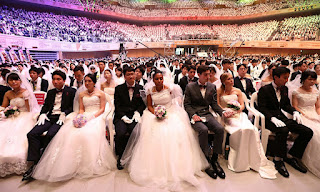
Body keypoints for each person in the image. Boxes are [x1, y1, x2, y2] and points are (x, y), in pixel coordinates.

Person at [121, 70, 208, 190]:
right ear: (153, 80)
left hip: (170, 112)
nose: (159, 81)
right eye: (157, 79)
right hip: (154, 113)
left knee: (175, 131)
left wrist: (166, 113)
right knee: (155, 132)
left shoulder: (170, 89)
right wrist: (156, 113)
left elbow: (174, 102)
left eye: (161, 78)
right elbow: (150, 106)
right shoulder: (150, 91)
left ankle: (179, 165)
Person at [32, 74, 116, 182]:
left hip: (96, 117)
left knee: (88, 134)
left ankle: (89, 162)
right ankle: (69, 163)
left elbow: (102, 109)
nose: (87, 83)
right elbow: (81, 108)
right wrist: (80, 117)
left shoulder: (100, 94)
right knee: (70, 133)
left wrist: (91, 117)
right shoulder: (81, 94)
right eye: (85, 81)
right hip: (84, 115)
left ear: (94, 82)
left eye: (89, 81)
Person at [217, 73, 277, 179]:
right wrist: (225, 111)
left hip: (239, 114)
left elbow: (242, 105)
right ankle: (240, 160)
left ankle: (252, 158)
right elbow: (218, 104)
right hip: (227, 116)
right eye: (229, 79)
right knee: (240, 130)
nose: (232, 80)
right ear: (223, 81)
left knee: (251, 128)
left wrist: (236, 109)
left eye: (232, 78)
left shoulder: (237, 91)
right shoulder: (219, 91)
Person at [258, 67, 313, 178]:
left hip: (281, 117)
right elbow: (262, 108)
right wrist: (272, 118)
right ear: (276, 77)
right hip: (268, 119)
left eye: (288, 77)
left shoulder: (284, 89)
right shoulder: (265, 89)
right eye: (284, 78)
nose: (286, 80)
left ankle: (291, 155)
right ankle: (278, 159)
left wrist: (295, 112)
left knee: (307, 131)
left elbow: (285, 105)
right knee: (283, 130)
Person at [23, 70, 76, 181]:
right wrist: (42, 114)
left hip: (61, 118)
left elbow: (73, 106)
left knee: (51, 134)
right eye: (54, 79)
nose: (55, 82)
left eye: (58, 79)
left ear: (64, 80)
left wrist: (65, 113)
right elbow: (46, 106)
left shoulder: (71, 91)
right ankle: (35, 162)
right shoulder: (51, 92)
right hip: (50, 117)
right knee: (32, 134)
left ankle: (42, 163)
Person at [184, 65, 231, 179]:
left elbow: (214, 104)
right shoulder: (190, 87)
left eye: (209, 74)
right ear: (198, 75)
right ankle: (205, 160)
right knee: (203, 130)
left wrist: (222, 112)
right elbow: (187, 105)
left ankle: (214, 159)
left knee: (220, 129)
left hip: (206, 114)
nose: (208, 77)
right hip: (195, 115)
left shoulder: (212, 86)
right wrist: (193, 115)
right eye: (205, 75)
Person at [0, 72, 40, 177]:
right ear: (7, 82)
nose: (14, 82)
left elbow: (29, 109)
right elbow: (4, 106)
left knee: (20, 135)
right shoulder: (8, 93)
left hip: (24, 116)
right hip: (11, 116)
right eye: (11, 80)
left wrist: (16, 110)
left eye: (16, 80)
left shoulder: (25, 92)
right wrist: (6, 111)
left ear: (20, 81)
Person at [114, 67, 145, 170]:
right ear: (124, 76)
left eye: (132, 74)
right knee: (120, 133)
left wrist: (137, 113)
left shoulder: (140, 88)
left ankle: (134, 156)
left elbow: (142, 104)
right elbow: (117, 106)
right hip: (121, 116)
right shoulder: (118, 89)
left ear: (135, 75)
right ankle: (121, 156)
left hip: (134, 115)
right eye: (128, 74)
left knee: (135, 132)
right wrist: (122, 116)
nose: (131, 76)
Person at [292, 71, 320, 178]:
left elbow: (317, 106)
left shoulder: (316, 91)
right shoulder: (296, 92)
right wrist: (307, 116)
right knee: (316, 134)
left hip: (314, 114)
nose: (312, 82)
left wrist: (318, 115)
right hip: (302, 115)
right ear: (303, 79)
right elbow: (295, 107)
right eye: (309, 79)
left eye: (314, 79)